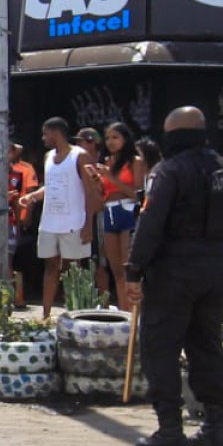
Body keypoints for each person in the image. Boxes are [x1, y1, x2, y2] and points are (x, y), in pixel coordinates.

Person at [125, 106, 223, 446]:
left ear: (175, 136)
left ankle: (170, 430)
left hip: (174, 271)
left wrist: (134, 269)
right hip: (216, 264)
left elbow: (150, 225)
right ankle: (214, 427)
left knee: (159, 346)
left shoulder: (169, 171)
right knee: (206, 345)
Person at [20, 117, 102, 320]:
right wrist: (33, 196)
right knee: (50, 267)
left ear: (56, 133)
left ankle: (73, 313)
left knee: (72, 269)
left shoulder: (80, 156)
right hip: (49, 222)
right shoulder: (48, 157)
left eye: (45, 133)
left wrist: (88, 224)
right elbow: (52, 185)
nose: (43, 138)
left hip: (74, 222)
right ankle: (46, 315)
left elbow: (91, 192)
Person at [97, 123, 149, 312]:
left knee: (129, 267)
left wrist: (110, 177)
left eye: (115, 137)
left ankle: (136, 313)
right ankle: (125, 313)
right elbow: (103, 192)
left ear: (125, 139)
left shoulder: (135, 161)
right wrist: (97, 179)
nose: (110, 142)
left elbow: (137, 193)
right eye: (108, 137)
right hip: (110, 212)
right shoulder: (106, 161)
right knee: (116, 269)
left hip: (128, 211)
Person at [7, 142, 42, 306]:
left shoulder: (24, 169)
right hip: (6, 220)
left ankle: (19, 295)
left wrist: (25, 218)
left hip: (17, 219)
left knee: (19, 260)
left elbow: (29, 194)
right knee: (9, 261)